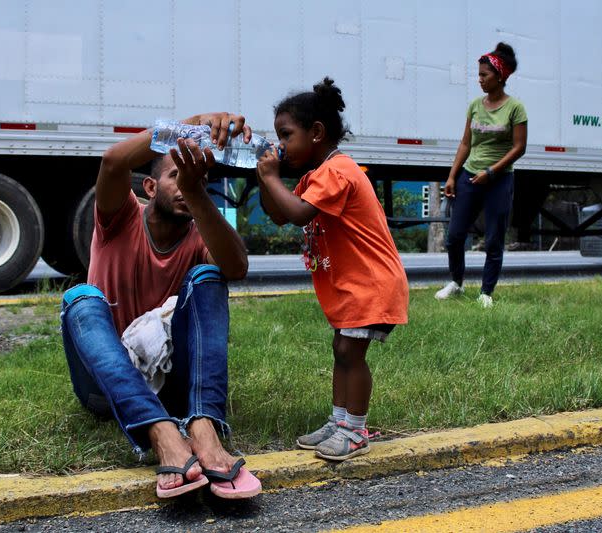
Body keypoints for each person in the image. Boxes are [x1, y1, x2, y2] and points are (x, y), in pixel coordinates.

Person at [60, 112, 261, 499]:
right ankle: (161, 431)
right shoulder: (120, 219)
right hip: (106, 390)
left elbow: (236, 268)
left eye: (198, 180)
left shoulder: (202, 235)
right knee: (79, 298)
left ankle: (203, 425)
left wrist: (196, 192)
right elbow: (113, 161)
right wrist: (192, 125)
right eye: (176, 177)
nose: (187, 185)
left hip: (173, 387)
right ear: (150, 187)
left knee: (209, 277)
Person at [256, 78, 409, 461]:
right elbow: (277, 213)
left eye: (286, 135)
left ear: (317, 133)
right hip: (353, 283)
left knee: (349, 352)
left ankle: (355, 431)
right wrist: (263, 179)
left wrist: (272, 177)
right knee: (341, 350)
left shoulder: (338, 171)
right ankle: (339, 421)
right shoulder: (318, 174)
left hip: (370, 282)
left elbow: (297, 213)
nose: (281, 145)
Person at [435, 42, 528, 308]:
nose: (480, 80)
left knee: (494, 239)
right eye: (479, 75)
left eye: (484, 75)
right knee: (454, 235)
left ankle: (486, 293)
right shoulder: (475, 105)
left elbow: (519, 147)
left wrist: (492, 172)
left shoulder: (515, 108)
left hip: (499, 180)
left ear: (500, 77)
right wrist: (453, 176)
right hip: (470, 176)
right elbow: (466, 143)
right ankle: (456, 282)